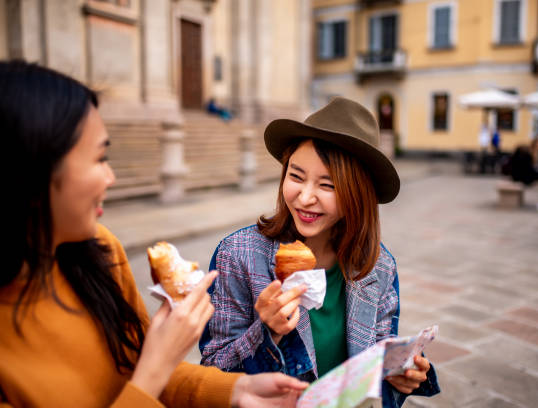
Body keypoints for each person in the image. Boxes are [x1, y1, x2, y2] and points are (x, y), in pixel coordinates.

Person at [0, 60, 307, 407]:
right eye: (99, 158)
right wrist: (159, 360)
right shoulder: (237, 251)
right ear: (31, 170)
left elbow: (134, 368)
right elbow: (148, 373)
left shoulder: (100, 250)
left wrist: (235, 390)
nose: (110, 178)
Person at [199, 97, 440, 408]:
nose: (305, 197)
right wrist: (266, 332)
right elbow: (213, 370)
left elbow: (373, 366)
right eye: (296, 176)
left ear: (358, 194)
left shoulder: (379, 267)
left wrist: (397, 375)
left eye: (327, 185)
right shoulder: (238, 255)